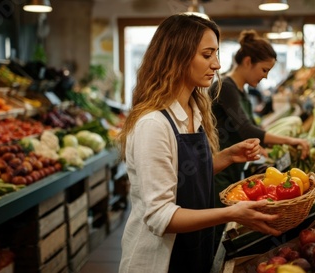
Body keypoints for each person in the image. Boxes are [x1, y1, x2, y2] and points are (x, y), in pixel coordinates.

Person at [117, 14, 281, 273]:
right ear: (177, 56)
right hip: (161, 261)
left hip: (195, 247)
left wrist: (226, 157)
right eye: (207, 55)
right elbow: (160, 216)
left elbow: (184, 178)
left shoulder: (194, 110)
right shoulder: (153, 125)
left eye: (216, 54)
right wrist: (231, 213)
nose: (216, 65)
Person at [209, 30, 310, 208]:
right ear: (248, 62)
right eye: (264, 70)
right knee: (218, 225)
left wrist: (260, 146)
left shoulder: (241, 90)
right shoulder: (225, 87)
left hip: (231, 168)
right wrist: (290, 140)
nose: (265, 76)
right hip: (218, 170)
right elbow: (246, 129)